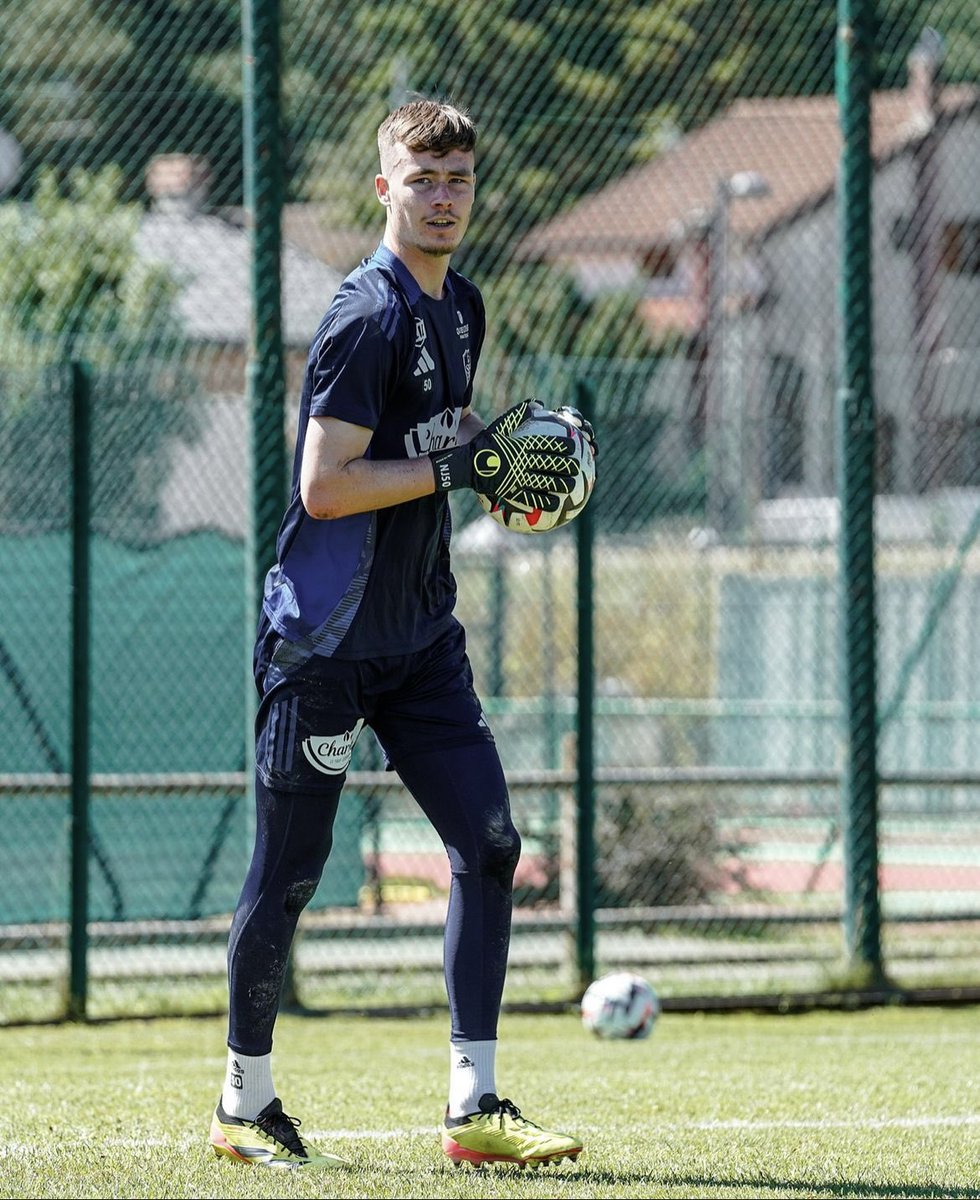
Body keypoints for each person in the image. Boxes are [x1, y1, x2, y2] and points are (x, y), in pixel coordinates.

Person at [208, 98, 595, 1172]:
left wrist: (512, 456)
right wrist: (455, 466)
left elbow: (448, 445)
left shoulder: (460, 304)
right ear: (384, 188)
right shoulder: (361, 317)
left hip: (420, 636)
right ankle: (245, 1100)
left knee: (491, 843)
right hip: (324, 644)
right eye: (420, 181)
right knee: (289, 873)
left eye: (458, 180)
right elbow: (325, 489)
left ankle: (474, 1105)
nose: (441, 198)